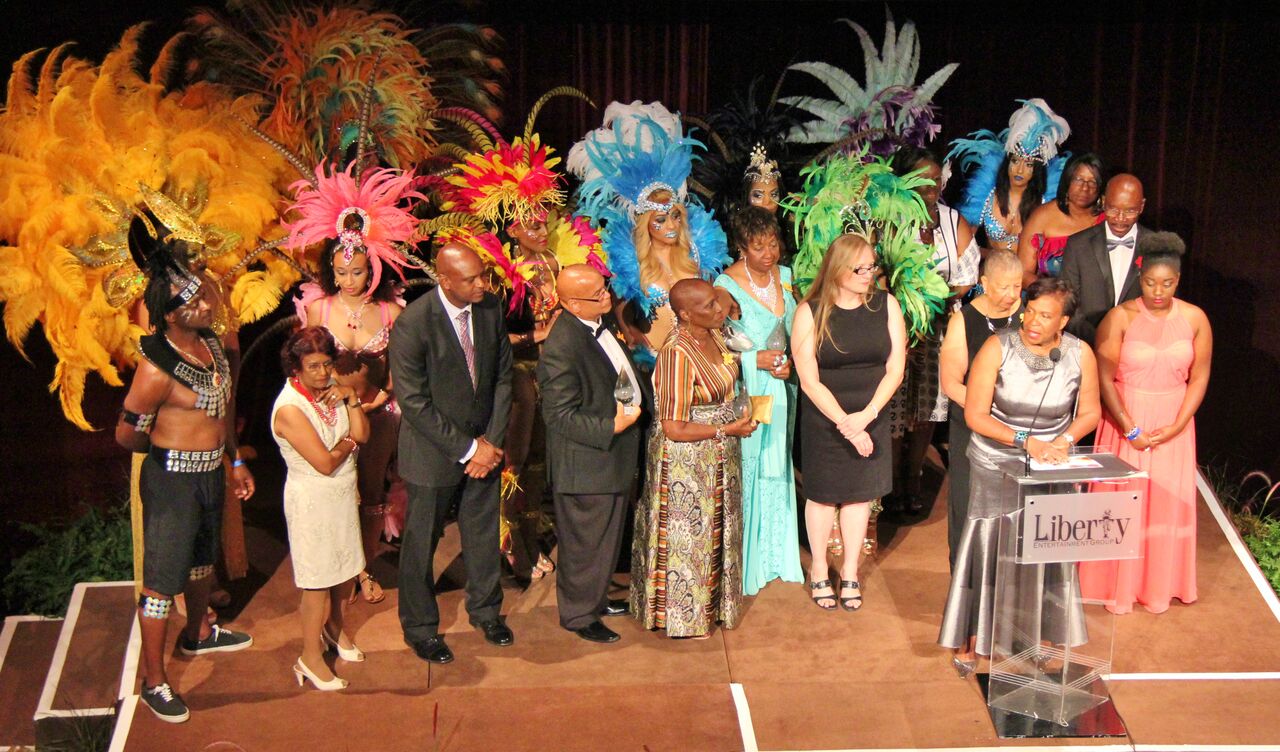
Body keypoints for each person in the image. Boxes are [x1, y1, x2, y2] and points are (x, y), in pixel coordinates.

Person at [115, 212, 255, 723]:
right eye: (192, 302)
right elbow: (127, 434)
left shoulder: (212, 345)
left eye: (203, 297)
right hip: (172, 481)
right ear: (168, 315)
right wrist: (168, 450)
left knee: (201, 564)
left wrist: (233, 459)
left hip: (210, 473)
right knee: (160, 585)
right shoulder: (156, 368)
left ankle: (197, 632)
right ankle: (154, 681)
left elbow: (221, 412)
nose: (206, 305)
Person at [938, 277, 1100, 676]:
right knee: (988, 548)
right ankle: (971, 635)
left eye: (1045, 316)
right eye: (1030, 311)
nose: (1032, 321)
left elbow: (1090, 413)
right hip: (997, 461)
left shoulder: (1080, 354)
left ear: (1063, 321)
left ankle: (1038, 634)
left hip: (1050, 465)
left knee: (1042, 548)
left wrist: (1064, 440)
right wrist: (1026, 441)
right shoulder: (998, 347)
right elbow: (975, 415)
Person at [389, 242, 514, 665]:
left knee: (482, 534)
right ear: (444, 280)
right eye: (471, 279)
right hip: (433, 453)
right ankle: (420, 628)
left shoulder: (490, 308)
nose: (482, 284)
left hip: (486, 448)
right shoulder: (413, 323)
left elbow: (502, 379)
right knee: (421, 543)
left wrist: (490, 442)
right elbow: (413, 402)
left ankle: (487, 612)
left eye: (483, 275)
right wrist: (468, 449)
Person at [1078, 233, 1211, 613]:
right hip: (1127, 422)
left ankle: (1158, 586)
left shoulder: (1195, 319)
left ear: (1178, 281)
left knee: (1165, 506)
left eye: (1167, 284)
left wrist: (1178, 425)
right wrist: (1129, 427)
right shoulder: (1120, 317)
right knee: (1121, 506)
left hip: (1173, 427)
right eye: (1151, 282)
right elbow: (1103, 378)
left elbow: (1200, 376)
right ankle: (1112, 585)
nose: (1158, 291)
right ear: (1141, 277)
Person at [631, 279, 757, 637]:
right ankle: (685, 619)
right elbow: (673, 427)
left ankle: (715, 607)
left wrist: (738, 413)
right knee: (690, 537)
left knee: (719, 529)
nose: (719, 310)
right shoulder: (676, 354)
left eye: (716, 301)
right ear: (685, 314)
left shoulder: (715, 335)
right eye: (709, 306)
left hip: (721, 451)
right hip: (686, 462)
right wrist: (725, 429)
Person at [792, 234, 907, 612]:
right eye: (860, 269)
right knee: (823, 495)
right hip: (826, 415)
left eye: (872, 266)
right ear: (838, 269)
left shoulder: (886, 305)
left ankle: (851, 570)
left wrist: (867, 416)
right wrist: (845, 423)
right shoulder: (810, 312)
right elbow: (809, 380)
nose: (868, 274)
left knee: (860, 494)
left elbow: (895, 368)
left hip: (871, 411)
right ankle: (820, 568)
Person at [568, 101, 730, 363]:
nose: (671, 226)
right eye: (661, 220)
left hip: (702, 358)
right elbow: (621, 308)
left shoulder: (697, 250)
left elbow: (714, 300)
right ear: (646, 225)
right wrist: (631, 333)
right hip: (658, 361)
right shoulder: (632, 260)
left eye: (675, 216)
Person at [538, 264, 648, 643]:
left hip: (610, 458)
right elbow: (558, 416)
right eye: (597, 294)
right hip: (586, 463)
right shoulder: (563, 345)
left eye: (605, 288)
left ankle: (595, 599)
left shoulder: (598, 324)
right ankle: (579, 614)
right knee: (585, 544)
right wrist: (611, 427)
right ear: (572, 304)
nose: (607, 297)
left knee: (604, 539)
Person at [301, 240, 402, 604]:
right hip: (332, 416)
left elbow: (400, 368)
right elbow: (307, 365)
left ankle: (366, 570)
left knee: (372, 494)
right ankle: (338, 570)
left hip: (378, 412)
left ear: (372, 270)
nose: (348, 280)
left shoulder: (391, 312)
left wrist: (380, 398)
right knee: (337, 494)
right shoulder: (320, 309)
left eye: (357, 272)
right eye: (341, 272)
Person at [271, 327, 369, 690]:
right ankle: (309, 657)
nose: (322, 372)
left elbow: (364, 434)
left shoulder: (333, 388)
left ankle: (335, 628)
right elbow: (325, 463)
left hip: (341, 495)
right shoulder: (289, 409)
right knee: (317, 583)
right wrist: (348, 443)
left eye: (327, 364)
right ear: (295, 368)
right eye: (313, 366)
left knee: (344, 571)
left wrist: (352, 397)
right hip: (312, 501)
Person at [714, 207, 803, 595]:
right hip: (748, 391)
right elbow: (716, 346)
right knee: (752, 467)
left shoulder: (787, 277)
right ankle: (748, 559)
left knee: (778, 465)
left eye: (773, 244)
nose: (769, 254)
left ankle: (777, 555)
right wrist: (754, 360)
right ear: (741, 247)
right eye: (758, 247)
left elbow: (798, 331)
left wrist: (790, 364)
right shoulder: (725, 285)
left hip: (782, 389)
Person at [888, 145, 979, 516]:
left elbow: (967, 275)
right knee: (894, 408)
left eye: (936, 181)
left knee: (927, 409)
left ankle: (913, 480)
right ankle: (891, 485)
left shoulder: (952, 221)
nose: (930, 189)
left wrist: (934, 296)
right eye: (921, 181)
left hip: (939, 325)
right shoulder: (887, 218)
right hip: (897, 326)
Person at [938, 250, 1024, 569]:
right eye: (1003, 287)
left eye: (1017, 286)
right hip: (973, 428)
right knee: (968, 502)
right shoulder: (964, 320)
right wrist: (986, 411)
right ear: (984, 283)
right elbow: (951, 382)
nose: (1011, 295)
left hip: (1018, 428)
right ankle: (967, 577)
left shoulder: (1028, 315)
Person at [948, 99, 1071, 253]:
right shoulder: (987, 195)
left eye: (1028, 165)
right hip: (990, 267)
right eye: (1015, 161)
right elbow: (964, 246)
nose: (1019, 170)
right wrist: (991, 258)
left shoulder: (1045, 202)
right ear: (1007, 162)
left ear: (1037, 170)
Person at [1059, 173, 1149, 345]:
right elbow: (1068, 303)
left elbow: (1162, 308)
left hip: (1138, 348)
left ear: (1142, 206)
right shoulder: (1078, 245)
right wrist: (1097, 342)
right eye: (1113, 209)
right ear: (1103, 201)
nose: (1120, 219)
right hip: (1086, 346)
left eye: (1129, 211)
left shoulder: (1156, 247)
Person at [1016, 152, 1105, 284]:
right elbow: (1023, 273)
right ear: (1067, 180)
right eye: (1078, 179)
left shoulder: (1107, 219)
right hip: (1045, 293)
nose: (1085, 188)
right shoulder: (1042, 216)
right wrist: (1053, 292)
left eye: (1092, 182)